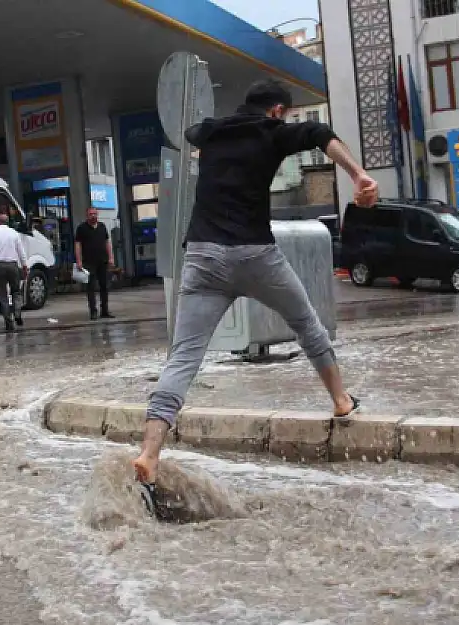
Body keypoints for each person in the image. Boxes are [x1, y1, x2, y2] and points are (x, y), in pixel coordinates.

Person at [131, 79, 378, 487]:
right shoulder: (272, 132)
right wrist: (359, 175)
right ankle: (340, 401)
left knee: (184, 356)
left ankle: (149, 452)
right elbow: (321, 134)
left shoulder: (211, 131)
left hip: (203, 258)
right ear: (278, 111)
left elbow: (191, 135)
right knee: (306, 325)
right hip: (256, 255)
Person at [0, 213, 29, 331]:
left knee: (2, 295)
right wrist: (25, 266)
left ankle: (8, 322)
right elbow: (21, 251)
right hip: (13, 265)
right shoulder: (14, 233)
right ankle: (17, 313)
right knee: (16, 291)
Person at [75, 207, 116, 321]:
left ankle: (105, 311)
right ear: (87, 216)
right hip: (89, 262)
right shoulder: (81, 228)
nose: (93, 216)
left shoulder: (102, 227)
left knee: (104, 286)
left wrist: (111, 257)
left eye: (95, 214)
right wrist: (79, 261)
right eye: (90, 214)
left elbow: (107, 242)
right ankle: (93, 311)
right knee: (91, 287)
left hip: (102, 261)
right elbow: (78, 245)